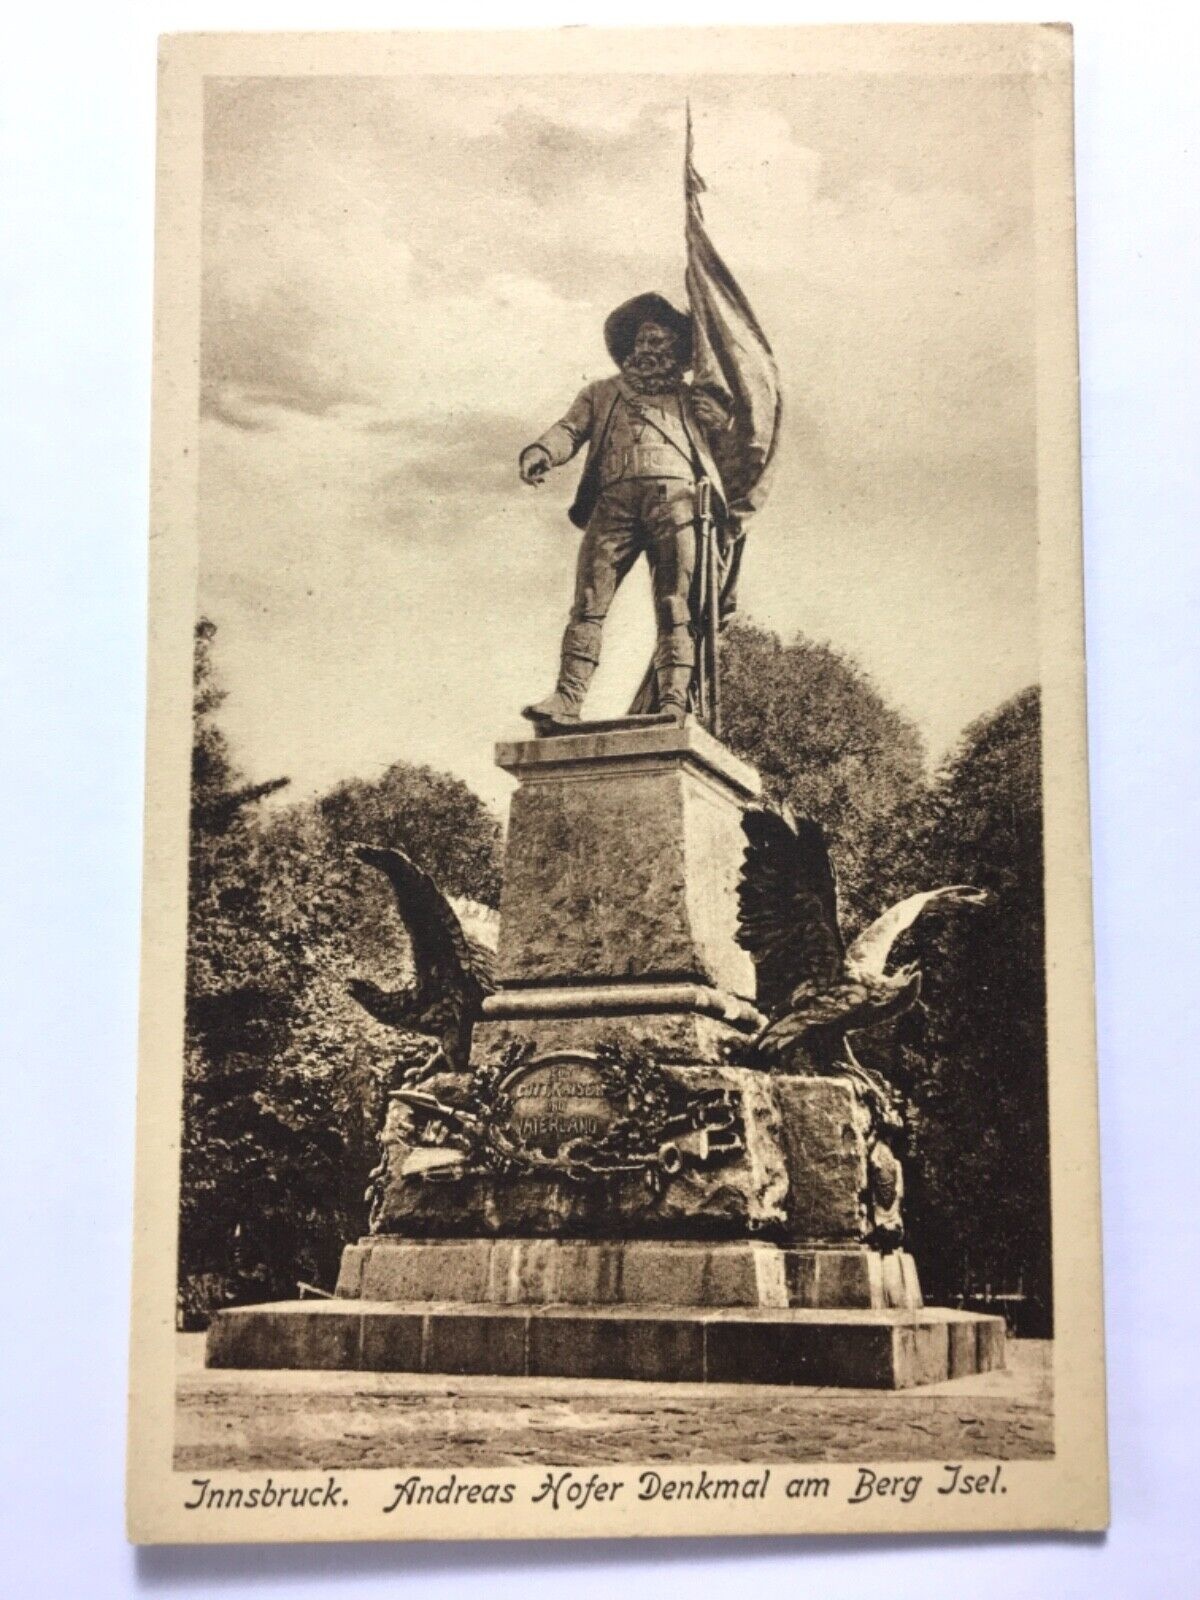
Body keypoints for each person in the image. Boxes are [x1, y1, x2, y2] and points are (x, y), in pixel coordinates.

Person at [519, 291, 732, 730]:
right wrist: (542, 450)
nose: (651, 348)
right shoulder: (601, 393)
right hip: (613, 503)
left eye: (662, 341)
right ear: (631, 347)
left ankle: (673, 703)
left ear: (677, 350)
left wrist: (723, 423)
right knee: (589, 603)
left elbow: (734, 457)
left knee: (677, 606)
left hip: (678, 504)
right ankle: (567, 698)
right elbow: (568, 429)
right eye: (644, 340)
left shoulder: (695, 401)